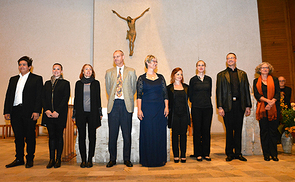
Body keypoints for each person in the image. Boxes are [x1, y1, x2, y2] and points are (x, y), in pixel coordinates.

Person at [4, 56, 43, 168]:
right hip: (15, 111)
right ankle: (19, 158)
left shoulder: (36, 79)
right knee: (18, 136)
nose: (22, 66)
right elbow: (8, 96)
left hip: (29, 112)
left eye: (24, 65)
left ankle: (30, 158)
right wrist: (7, 111)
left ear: (29, 67)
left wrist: (37, 111)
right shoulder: (13, 79)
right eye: (20, 64)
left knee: (30, 136)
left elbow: (38, 97)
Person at [216, 53, 252, 162]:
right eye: (228, 58)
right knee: (229, 130)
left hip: (239, 106)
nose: (230, 60)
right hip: (227, 107)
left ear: (236, 59)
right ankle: (229, 153)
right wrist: (220, 107)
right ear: (226, 60)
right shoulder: (221, 75)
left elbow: (246, 90)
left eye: (232, 58)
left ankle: (238, 153)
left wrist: (248, 106)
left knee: (238, 130)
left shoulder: (242, 74)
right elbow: (219, 92)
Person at [105, 50, 137, 167]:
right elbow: (109, 89)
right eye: (114, 57)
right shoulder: (109, 72)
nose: (116, 59)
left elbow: (133, 89)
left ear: (123, 57)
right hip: (113, 106)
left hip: (126, 106)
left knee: (126, 135)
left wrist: (126, 98)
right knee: (112, 135)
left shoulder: (131, 71)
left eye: (118, 56)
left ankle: (126, 159)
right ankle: (112, 159)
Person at [137, 55, 169, 167]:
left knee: (159, 133)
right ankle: (147, 160)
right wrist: (139, 110)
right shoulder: (141, 78)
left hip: (160, 109)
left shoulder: (161, 77)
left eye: (156, 61)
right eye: (153, 61)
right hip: (147, 109)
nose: (155, 63)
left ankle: (159, 159)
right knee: (148, 133)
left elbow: (165, 93)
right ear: (147, 63)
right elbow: (139, 95)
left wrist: (166, 107)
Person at [73, 64, 102, 168]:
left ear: (92, 72)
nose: (88, 71)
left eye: (90, 69)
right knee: (82, 137)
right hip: (81, 113)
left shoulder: (96, 83)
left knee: (92, 137)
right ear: (83, 71)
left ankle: (90, 159)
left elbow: (98, 99)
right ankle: (83, 159)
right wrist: (74, 114)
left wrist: (100, 112)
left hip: (93, 113)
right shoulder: (78, 84)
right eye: (86, 69)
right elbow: (76, 100)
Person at [42, 63, 70, 168]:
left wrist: (57, 111)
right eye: (54, 69)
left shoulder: (65, 83)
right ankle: (51, 159)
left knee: (59, 136)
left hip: (59, 115)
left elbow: (65, 98)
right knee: (51, 137)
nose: (56, 71)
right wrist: (47, 110)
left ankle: (58, 159)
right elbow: (43, 98)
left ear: (61, 71)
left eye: (58, 69)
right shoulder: (47, 83)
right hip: (48, 115)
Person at [253, 62, 280, 161]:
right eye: (263, 68)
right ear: (259, 70)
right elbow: (257, 95)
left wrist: (272, 102)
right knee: (264, 131)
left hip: (274, 108)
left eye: (267, 68)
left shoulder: (275, 80)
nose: (265, 69)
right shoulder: (256, 81)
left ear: (269, 69)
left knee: (273, 131)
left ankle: (274, 154)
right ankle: (266, 154)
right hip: (262, 109)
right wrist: (267, 101)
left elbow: (277, 93)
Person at [189, 60, 213, 162]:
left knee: (206, 131)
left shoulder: (209, 79)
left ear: (205, 67)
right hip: (197, 108)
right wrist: (197, 102)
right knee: (197, 131)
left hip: (207, 108)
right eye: (199, 65)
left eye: (202, 65)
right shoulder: (193, 80)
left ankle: (206, 153)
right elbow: (190, 95)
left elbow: (210, 93)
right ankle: (198, 153)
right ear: (196, 67)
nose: (201, 67)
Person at [167, 68, 190, 163]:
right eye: (177, 74)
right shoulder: (169, 88)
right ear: (173, 76)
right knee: (175, 135)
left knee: (184, 135)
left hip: (184, 114)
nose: (180, 76)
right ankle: (176, 155)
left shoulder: (186, 87)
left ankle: (183, 154)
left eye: (181, 74)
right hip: (174, 114)